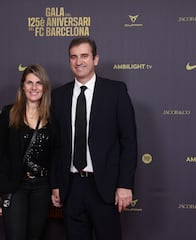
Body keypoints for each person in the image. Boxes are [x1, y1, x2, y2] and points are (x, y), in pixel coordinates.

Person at [50, 37, 138, 240]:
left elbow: (128, 141)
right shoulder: (59, 96)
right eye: (73, 57)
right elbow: (56, 146)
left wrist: (125, 184)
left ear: (95, 59)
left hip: (104, 187)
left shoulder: (115, 91)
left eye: (84, 56)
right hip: (71, 187)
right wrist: (55, 184)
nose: (78, 61)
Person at [0, 64, 54, 240]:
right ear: (22, 86)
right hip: (15, 186)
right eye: (29, 83)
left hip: (42, 187)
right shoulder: (9, 113)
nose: (34, 88)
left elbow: (58, 155)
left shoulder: (53, 117)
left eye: (39, 83)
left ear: (45, 87)